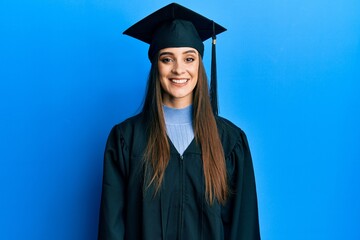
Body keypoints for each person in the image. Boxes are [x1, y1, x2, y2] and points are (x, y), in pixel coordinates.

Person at [98, 3, 260, 240]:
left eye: (189, 58)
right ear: (156, 66)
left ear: (199, 65)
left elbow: (243, 230)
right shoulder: (126, 140)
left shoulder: (230, 141)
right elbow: (111, 230)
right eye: (167, 59)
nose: (179, 69)